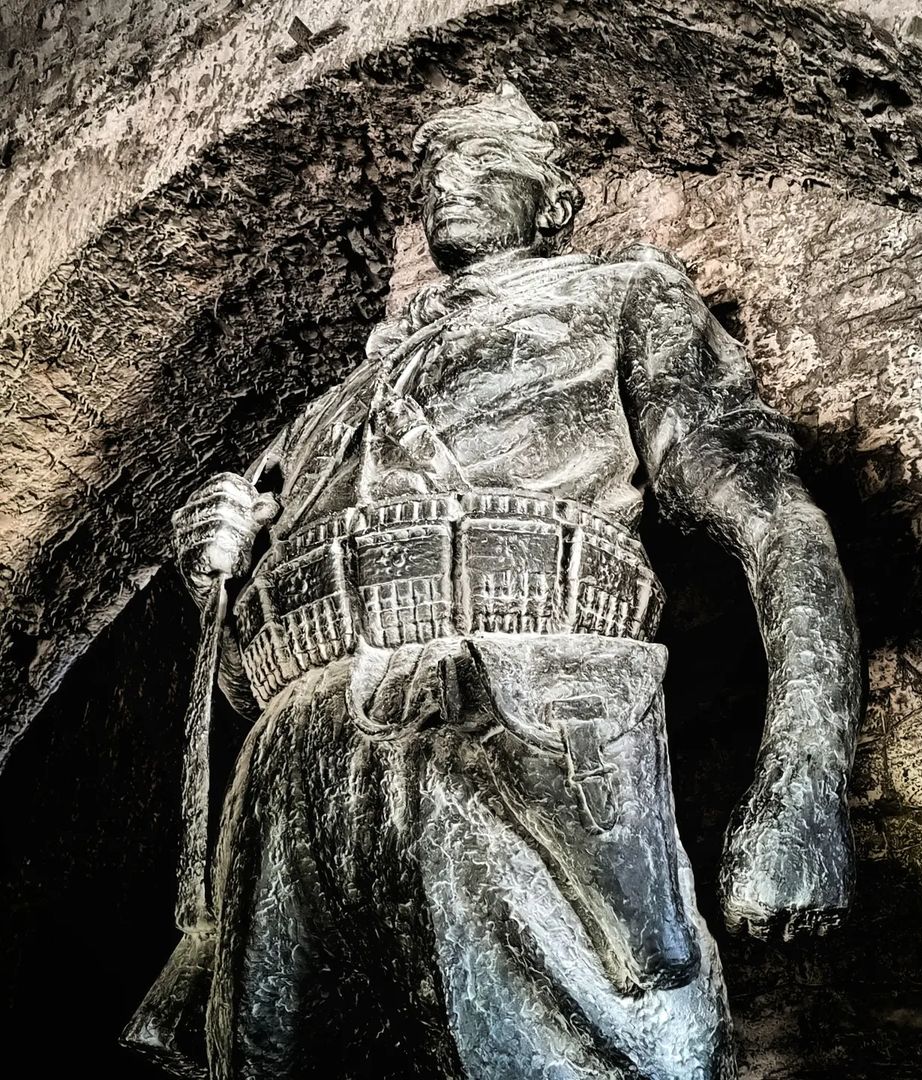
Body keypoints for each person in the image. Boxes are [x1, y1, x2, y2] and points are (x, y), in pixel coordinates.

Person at [158, 83, 861, 1080]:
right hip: (295, 767)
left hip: (524, 715)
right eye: (433, 172)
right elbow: (240, 676)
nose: (448, 181)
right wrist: (219, 570)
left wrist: (805, 780)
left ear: (552, 202)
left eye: (485, 162)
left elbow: (775, 517)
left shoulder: (617, 299)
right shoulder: (328, 411)